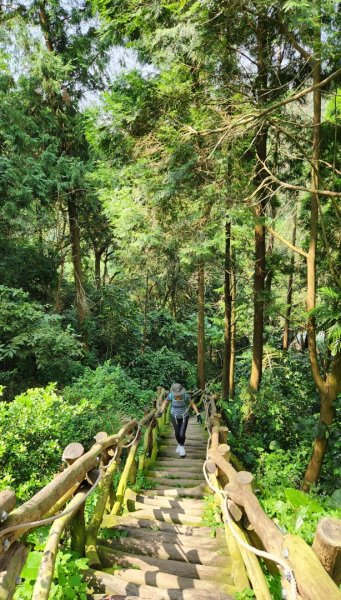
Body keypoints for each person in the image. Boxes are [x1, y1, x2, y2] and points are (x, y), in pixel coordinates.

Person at [157, 383, 202, 458]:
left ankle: (181, 447)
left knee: (182, 433)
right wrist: (161, 411)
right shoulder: (171, 396)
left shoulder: (185, 396)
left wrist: (198, 414)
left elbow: (192, 404)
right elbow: (165, 402)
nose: (177, 395)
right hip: (174, 416)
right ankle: (180, 444)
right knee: (177, 433)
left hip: (184, 416)